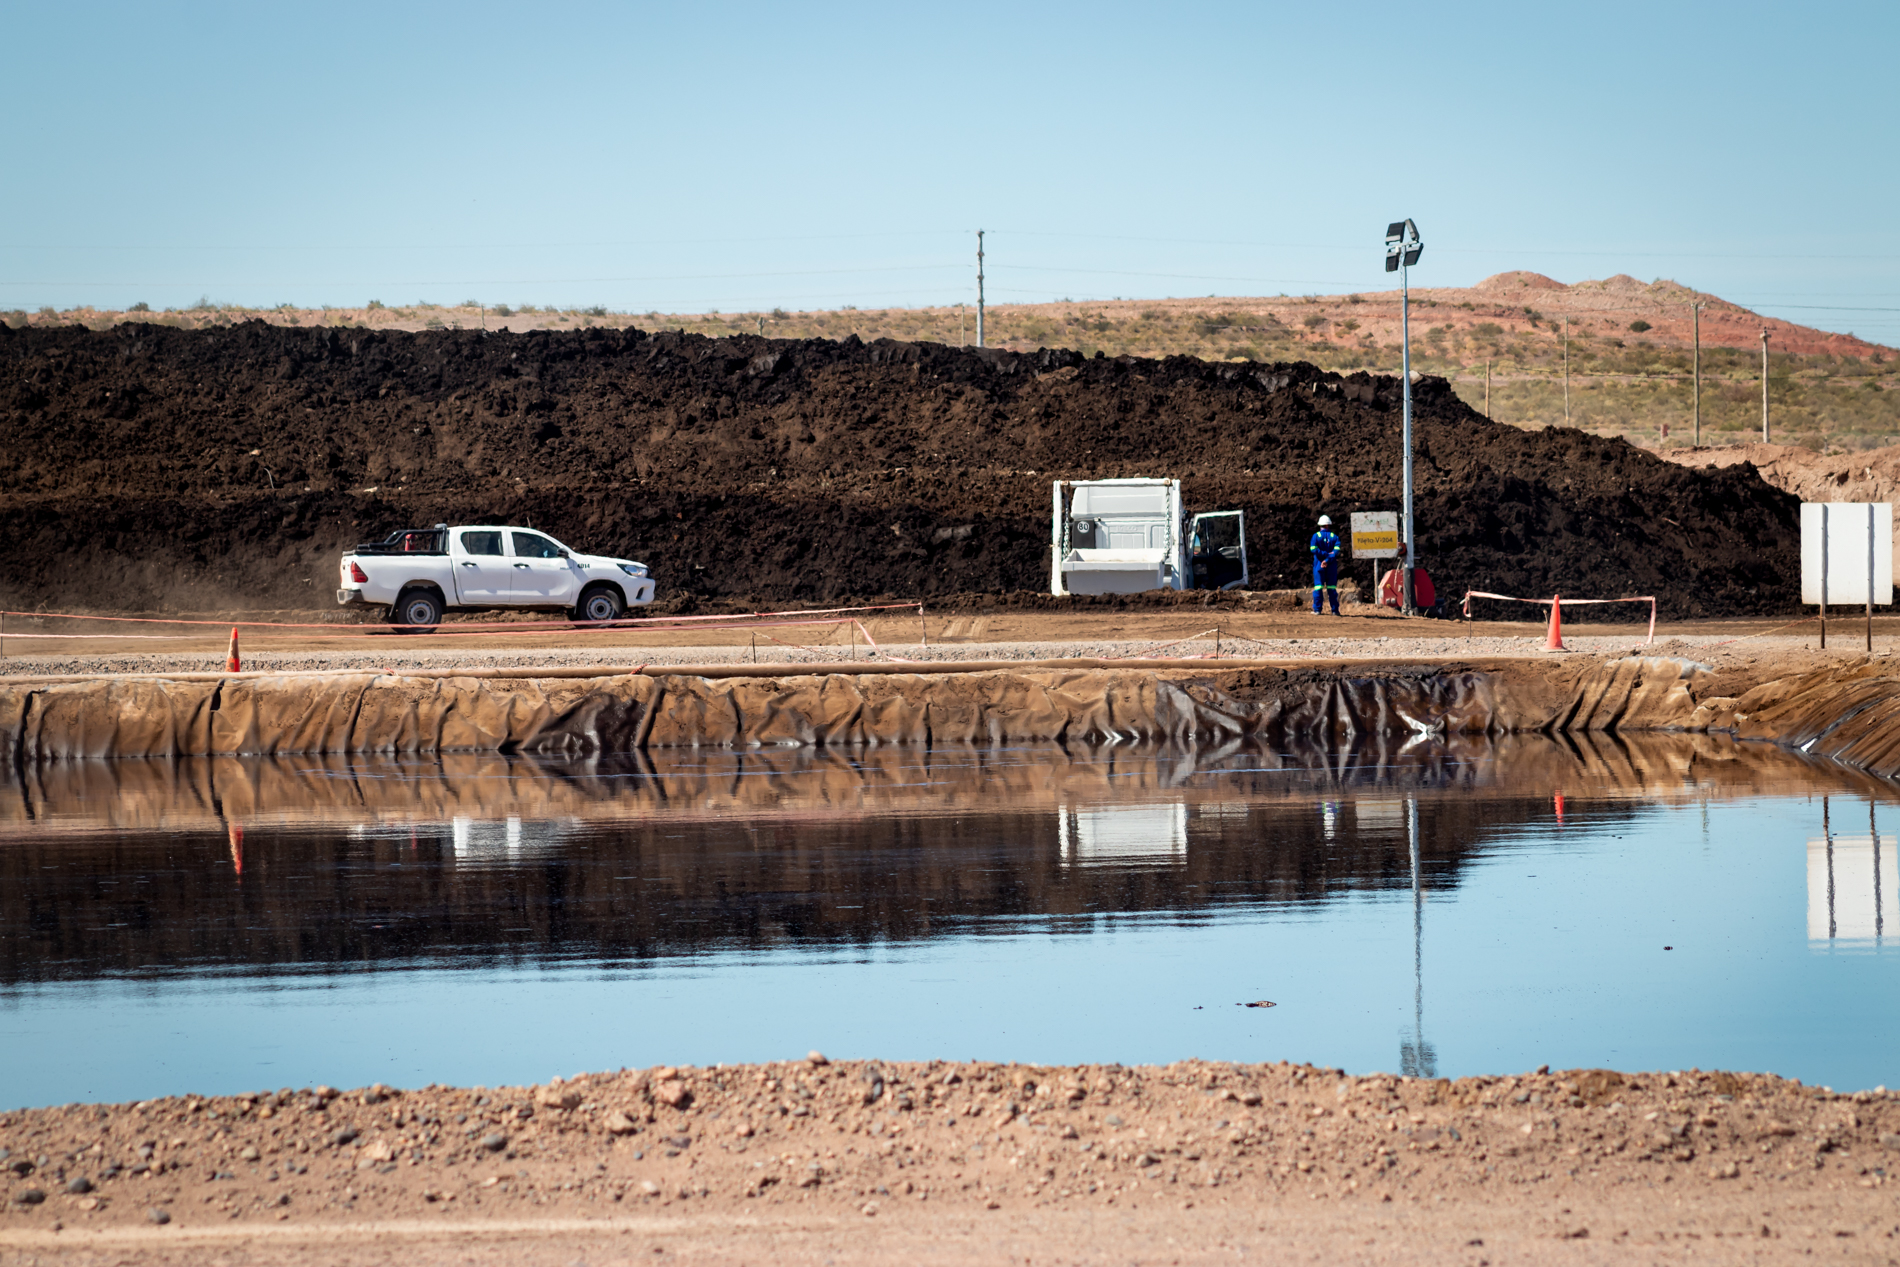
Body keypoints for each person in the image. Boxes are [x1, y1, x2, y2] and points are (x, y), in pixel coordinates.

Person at [1310, 515, 1342, 615]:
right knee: (1331, 588)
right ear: (1328, 525)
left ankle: (1317, 610)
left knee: (1318, 587)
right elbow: (1336, 551)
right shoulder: (1334, 537)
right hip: (1331, 565)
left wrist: (1323, 558)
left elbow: (1313, 549)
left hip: (1319, 564)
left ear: (1320, 525)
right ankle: (1335, 611)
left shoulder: (1316, 536)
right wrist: (1328, 559)